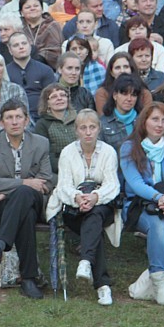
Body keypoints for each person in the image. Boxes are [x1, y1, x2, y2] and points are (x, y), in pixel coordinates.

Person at [0, 98, 53, 300]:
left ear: (27, 121)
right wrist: (25, 183)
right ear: (1, 122)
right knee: (24, 210)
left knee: (26, 195)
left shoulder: (41, 143)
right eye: (9, 118)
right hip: (1, 203)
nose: (14, 121)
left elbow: (46, 182)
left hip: (35, 201)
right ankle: (28, 278)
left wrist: (12, 187)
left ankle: (0, 243)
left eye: (19, 117)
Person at [45, 108, 120, 305]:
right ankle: (102, 285)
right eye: (83, 128)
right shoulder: (68, 153)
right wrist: (78, 198)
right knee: (92, 225)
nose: (88, 132)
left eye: (92, 127)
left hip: (101, 205)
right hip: (73, 208)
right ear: (76, 130)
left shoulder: (108, 152)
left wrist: (95, 196)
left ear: (99, 129)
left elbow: (113, 184)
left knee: (94, 216)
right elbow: (63, 186)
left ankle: (87, 264)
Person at [120, 102, 164, 305]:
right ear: (144, 121)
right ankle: (159, 285)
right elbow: (135, 183)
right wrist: (158, 198)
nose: (159, 124)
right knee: (157, 226)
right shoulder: (129, 147)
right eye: (154, 119)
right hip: (140, 204)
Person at [34, 83, 77, 178]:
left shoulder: (79, 119)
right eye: (54, 97)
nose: (59, 98)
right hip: (56, 170)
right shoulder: (42, 124)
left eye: (62, 95)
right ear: (47, 103)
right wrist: (65, 167)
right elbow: (45, 154)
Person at [99, 73, 147, 148]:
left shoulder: (144, 120)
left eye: (133, 95)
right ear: (115, 95)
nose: (129, 99)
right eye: (124, 94)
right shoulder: (103, 123)